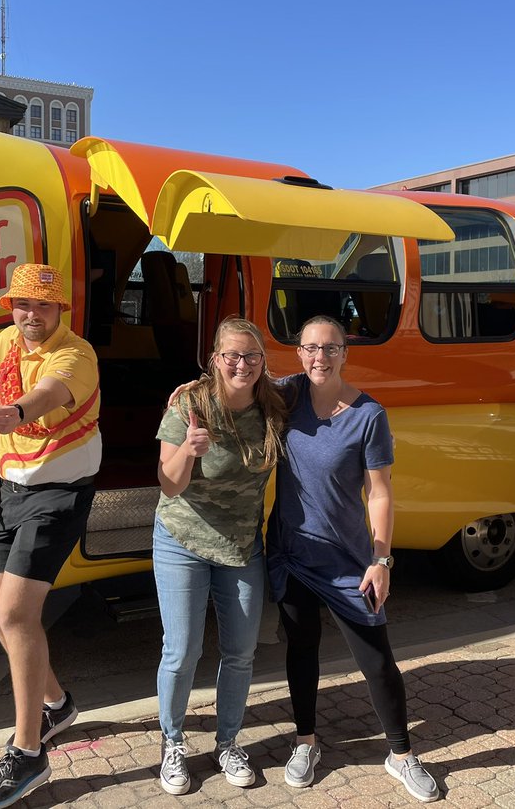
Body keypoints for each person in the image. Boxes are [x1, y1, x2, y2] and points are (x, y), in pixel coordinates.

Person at [266, 315, 441, 802]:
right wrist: (190, 391)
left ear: (345, 353)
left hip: (349, 561)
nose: (319, 357)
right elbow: (233, 383)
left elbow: (380, 494)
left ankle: (401, 755)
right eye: (310, 348)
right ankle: (306, 742)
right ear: (299, 353)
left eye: (330, 348)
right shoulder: (287, 394)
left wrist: (381, 559)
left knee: (378, 660)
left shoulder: (368, 415)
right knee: (301, 649)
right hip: (292, 553)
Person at [0, 263, 101, 809]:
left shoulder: (76, 354)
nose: (30, 315)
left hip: (58, 492)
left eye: (41, 306)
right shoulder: (3, 342)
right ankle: (57, 706)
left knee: (16, 615)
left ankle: (30, 751)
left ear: (61, 309)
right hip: (8, 488)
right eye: (21, 305)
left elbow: (46, 395)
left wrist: (17, 412)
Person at [154, 317, 287, 795]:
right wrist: (188, 451)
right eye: (231, 355)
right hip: (181, 539)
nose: (242, 364)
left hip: (242, 544)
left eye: (252, 356)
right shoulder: (190, 405)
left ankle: (227, 742)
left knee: (241, 653)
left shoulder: (274, 403)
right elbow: (169, 484)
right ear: (214, 358)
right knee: (182, 650)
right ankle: (172, 743)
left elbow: (315, 381)